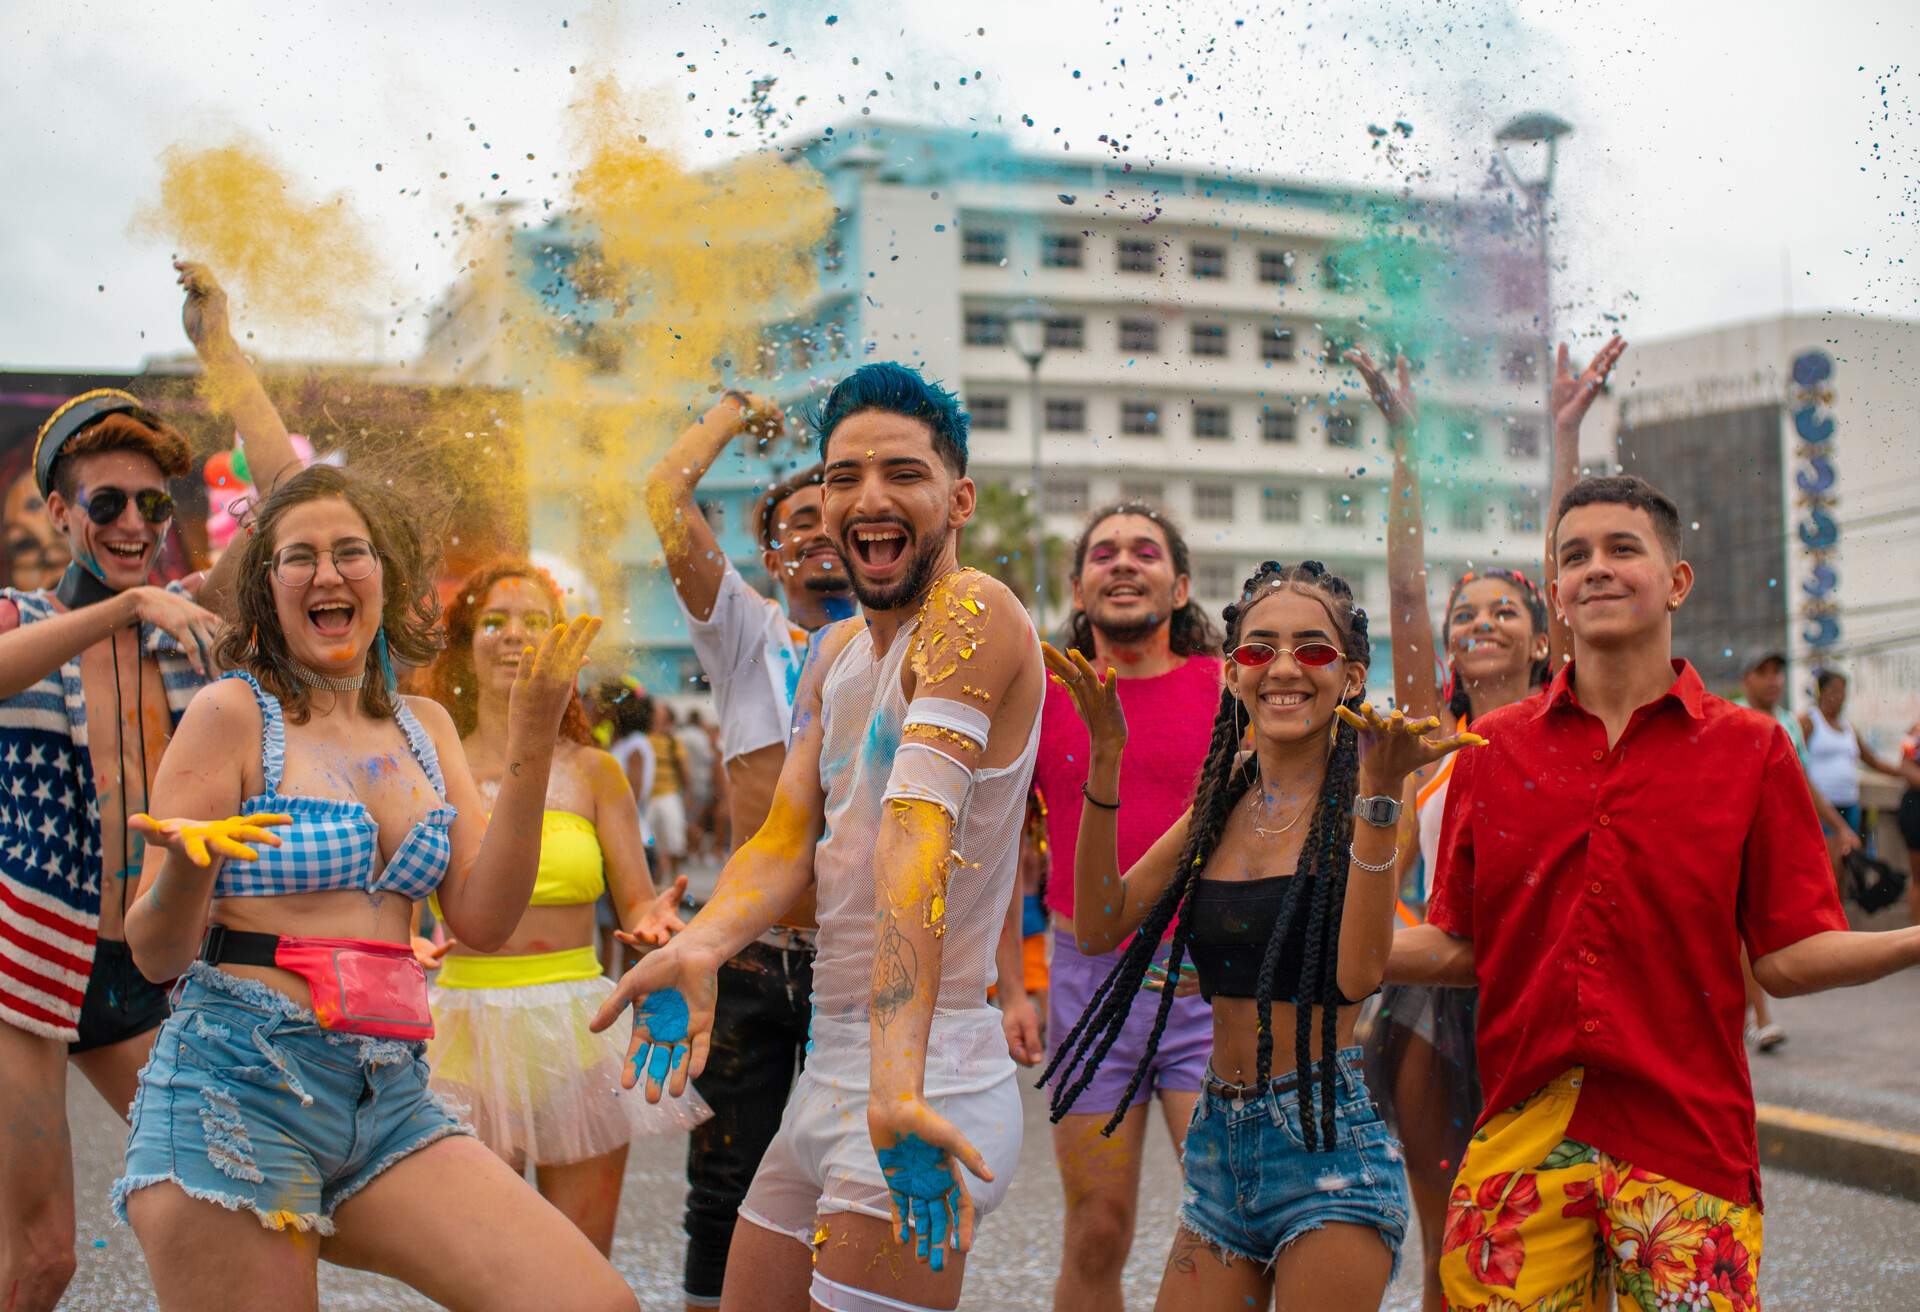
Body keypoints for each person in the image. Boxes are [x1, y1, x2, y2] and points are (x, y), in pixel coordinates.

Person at [1391, 473, 1920, 1311]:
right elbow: (1464, 942)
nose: (1596, 568)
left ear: (1676, 580)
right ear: (1558, 596)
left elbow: (1784, 957)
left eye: (1622, 549)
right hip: (1522, 1144)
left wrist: (1912, 940)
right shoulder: (1490, 750)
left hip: (1690, 1146)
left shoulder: (1752, 749)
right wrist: (1301, 943)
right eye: (1575, 556)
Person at [116, 462, 637, 1310]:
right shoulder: (232, 713)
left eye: (350, 552)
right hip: (238, 1089)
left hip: (389, 1095)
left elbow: (483, 918)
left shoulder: (423, 727)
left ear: (387, 579)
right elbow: (153, 952)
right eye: (300, 557)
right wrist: (188, 868)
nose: (327, 573)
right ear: (268, 588)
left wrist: (533, 742)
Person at [594, 362, 1043, 1312]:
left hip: (928, 1076)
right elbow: (787, 838)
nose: (868, 499)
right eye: (843, 478)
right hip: (835, 1071)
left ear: (958, 498)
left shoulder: (970, 614)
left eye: (902, 474)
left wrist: (894, 1082)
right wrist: (706, 946)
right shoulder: (836, 652)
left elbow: (915, 842)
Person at [1042, 559, 1480, 1311]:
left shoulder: (1366, 804)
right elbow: (1098, 925)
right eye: (1256, 650)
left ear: (1349, 676)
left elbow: (1357, 973)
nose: (1283, 668)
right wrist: (1106, 758)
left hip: (1326, 1144)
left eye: (1312, 650)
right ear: (1232, 674)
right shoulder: (1222, 805)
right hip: (1219, 1146)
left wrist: (1380, 795)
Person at [0, 262, 302, 1312]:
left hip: (143, 966)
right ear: (58, 509)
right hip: (25, 962)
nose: (135, 522)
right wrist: (127, 613)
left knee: (223, 1198)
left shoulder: (186, 611)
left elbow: (293, 499)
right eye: (107, 502)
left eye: (152, 502)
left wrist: (223, 351)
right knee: (40, 1260)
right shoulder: (28, 619)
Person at [1347, 339, 1619, 1312]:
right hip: (1438, 997)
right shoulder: (1435, 730)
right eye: (1470, 612)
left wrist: (1564, 436)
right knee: (1450, 1238)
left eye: (1507, 609)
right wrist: (1407, 445)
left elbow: (1570, 568)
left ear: (1544, 635)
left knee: (1549, 1234)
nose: (1482, 621)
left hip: (1548, 991)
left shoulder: (1572, 725)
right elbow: (1407, 591)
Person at [420, 559, 704, 1255]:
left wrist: (656, 921)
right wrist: (400, 939)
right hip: (458, 1031)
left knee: (576, 1264)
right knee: (484, 1266)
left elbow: (634, 898)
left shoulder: (594, 769)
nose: (515, 637)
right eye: (495, 621)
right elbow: (396, 887)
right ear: (465, 642)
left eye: (536, 623)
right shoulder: (431, 758)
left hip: (579, 1030)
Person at [642, 392, 855, 1310]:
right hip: (755, 960)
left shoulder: (901, 642)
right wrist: (732, 411)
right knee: (725, 1182)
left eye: (832, 519)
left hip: (855, 960)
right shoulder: (744, 633)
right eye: (796, 523)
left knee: (854, 1183)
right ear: (769, 557)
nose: (817, 533)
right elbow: (663, 491)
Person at [999, 501, 1224, 1312]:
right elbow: (1005, 851)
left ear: (1182, 583)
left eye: (1145, 551)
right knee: (1098, 1225)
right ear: (1078, 585)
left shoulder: (1228, 688)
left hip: (1210, 990)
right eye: (1102, 553)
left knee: (1228, 1224)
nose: (1123, 563)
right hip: (1084, 986)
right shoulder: (1041, 697)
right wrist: (1015, 989)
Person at [1730, 648, 1863, 1052]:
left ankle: (1744, 1014)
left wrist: (1836, 828)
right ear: (1746, 680)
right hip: (1735, 837)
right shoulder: (1727, 718)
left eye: (1777, 673)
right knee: (1737, 931)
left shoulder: (1787, 722)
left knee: (1757, 929)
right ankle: (1761, 1017)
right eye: (1762, 672)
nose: (1772, 680)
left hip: (1776, 839)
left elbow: (1803, 781)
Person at [1800, 668, 1905, 860]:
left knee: (1851, 860)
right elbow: (1799, 762)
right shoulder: (1810, 721)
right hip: (1823, 806)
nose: (1839, 697)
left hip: (1850, 803)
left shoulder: (1848, 727)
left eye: (1842, 691)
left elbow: (1871, 760)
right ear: (1821, 692)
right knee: (1831, 863)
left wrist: (1903, 772)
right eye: (1834, 690)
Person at [647, 703, 690, 881]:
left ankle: (674, 878)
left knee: (674, 842)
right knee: (651, 843)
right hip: (648, 798)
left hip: (668, 795)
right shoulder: (645, 738)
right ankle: (658, 880)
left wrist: (688, 795)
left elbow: (685, 770)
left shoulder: (673, 742)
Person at [676, 708, 718, 857]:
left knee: (684, 817)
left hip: (681, 783)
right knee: (693, 818)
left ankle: (691, 848)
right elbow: (709, 759)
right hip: (700, 782)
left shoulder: (679, 735)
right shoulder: (701, 736)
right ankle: (699, 843)